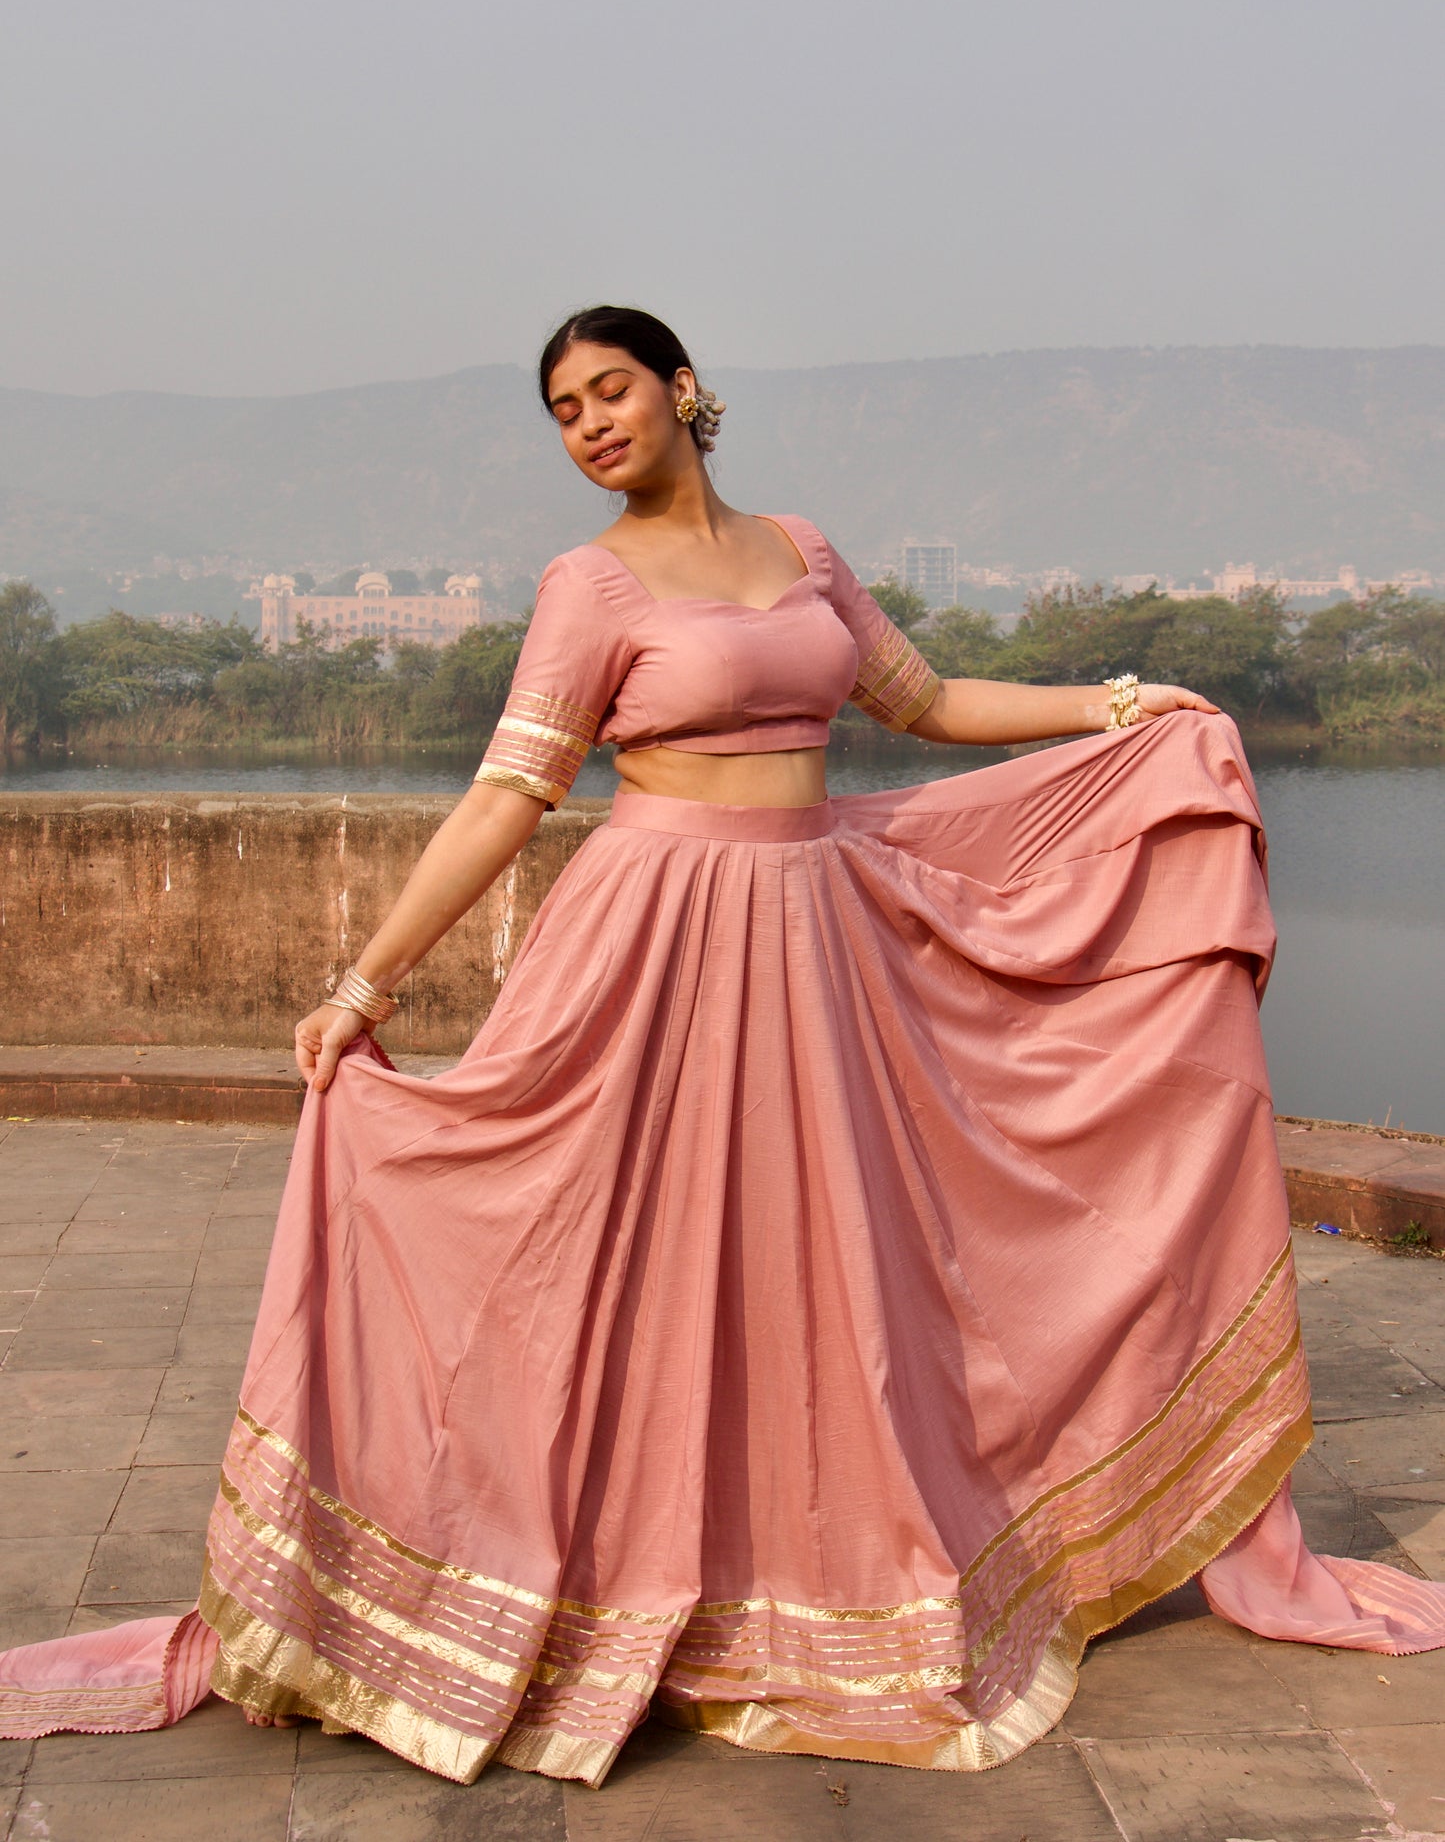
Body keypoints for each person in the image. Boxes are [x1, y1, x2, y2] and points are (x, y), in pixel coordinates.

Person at [3, 306, 1442, 1783]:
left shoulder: (803, 551)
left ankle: (818, 1566)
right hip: (652, 946)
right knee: (597, 1263)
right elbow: (511, 799)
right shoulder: (590, 585)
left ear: (683, 389)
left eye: (609, 390)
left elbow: (928, 704)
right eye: (561, 410)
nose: (588, 425)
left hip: (817, 940)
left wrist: (1123, 705)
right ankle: (541, 1572)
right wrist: (364, 983)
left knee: (832, 1269)